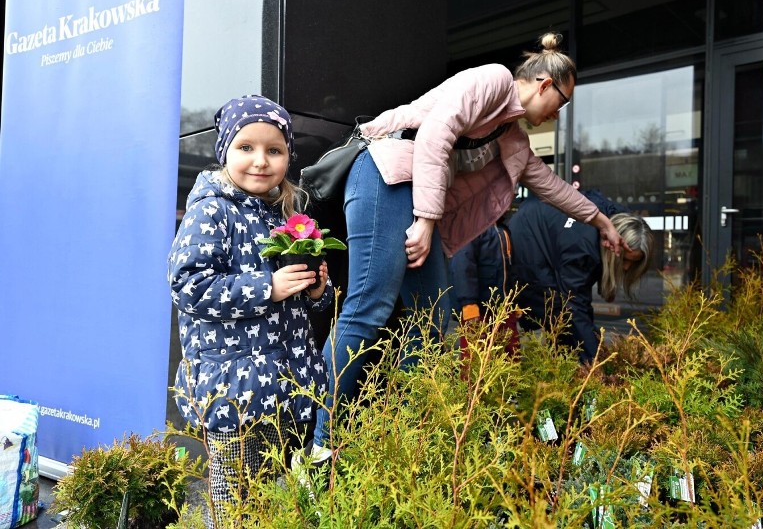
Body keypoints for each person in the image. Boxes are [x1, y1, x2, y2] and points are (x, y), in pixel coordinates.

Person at [308, 32, 629, 462]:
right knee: (370, 305)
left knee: (433, 320)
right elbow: (434, 135)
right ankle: (321, 444)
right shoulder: (492, 81)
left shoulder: (513, 139)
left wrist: (601, 219)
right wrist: (424, 221)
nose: (558, 115)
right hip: (386, 175)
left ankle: (408, 436)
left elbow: (551, 186)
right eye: (562, 102)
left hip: (418, 203)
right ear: (545, 85)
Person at [167, 95, 331, 525]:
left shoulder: (285, 213)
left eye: (274, 150)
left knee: (268, 495)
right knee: (233, 505)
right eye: (246, 148)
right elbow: (188, 286)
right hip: (233, 392)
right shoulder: (211, 211)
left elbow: (297, 308)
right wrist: (268, 287)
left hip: (283, 386)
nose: (260, 161)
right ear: (225, 153)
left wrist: (316, 294)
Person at [509, 190, 654, 364]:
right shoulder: (582, 247)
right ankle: (560, 370)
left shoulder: (615, 218)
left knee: (570, 320)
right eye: (625, 259)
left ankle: (569, 367)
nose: (626, 267)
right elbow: (575, 303)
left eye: (634, 263)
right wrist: (595, 361)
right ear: (614, 246)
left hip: (542, 227)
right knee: (558, 312)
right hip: (528, 245)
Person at [449, 220, 520, 360]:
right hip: (478, 311)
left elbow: (511, 269)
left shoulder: (502, 229)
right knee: (475, 358)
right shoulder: (470, 228)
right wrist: (468, 304)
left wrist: (514, 301)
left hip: (504, 308)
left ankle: (509, 382)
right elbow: (462, 267)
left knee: (511, 353)